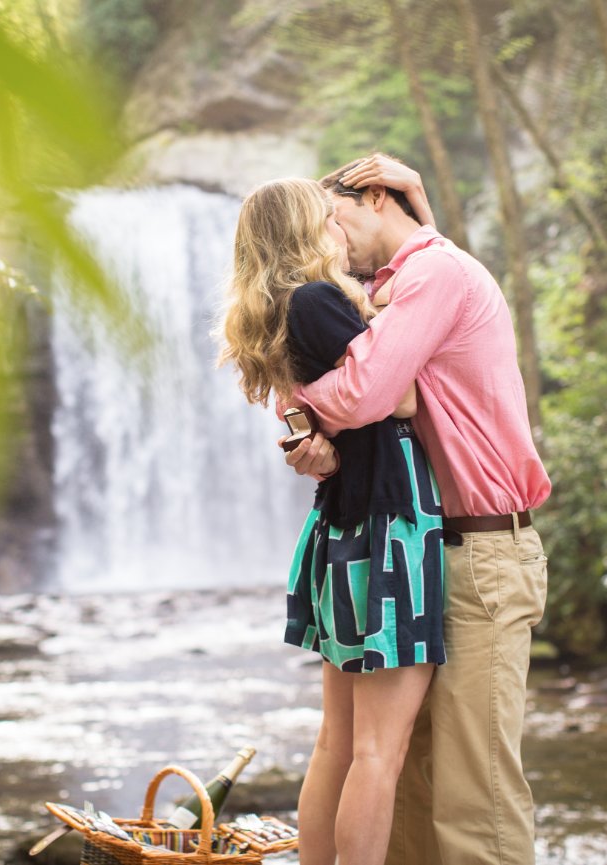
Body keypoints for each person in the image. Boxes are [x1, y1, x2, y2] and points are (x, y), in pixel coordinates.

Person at [286, 154, 551, 865]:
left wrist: (298, 410)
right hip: (420, 551)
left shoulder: (435, 272)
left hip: (480, 553)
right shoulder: (387, 285)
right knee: (407, 791)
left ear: (375, 196)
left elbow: (369, 391)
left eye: (335, 218)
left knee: (474, 801)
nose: (328, 240)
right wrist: (310, 438)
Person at [218, 177, 449, 865]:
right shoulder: (318, 300)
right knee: (377, 749)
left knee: (340, 742)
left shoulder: (285, 309)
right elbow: (400, 395)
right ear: (299, 232)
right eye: (326, 220)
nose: (339, 232)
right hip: (388, 530)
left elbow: (312, 414)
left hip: (348, 528)